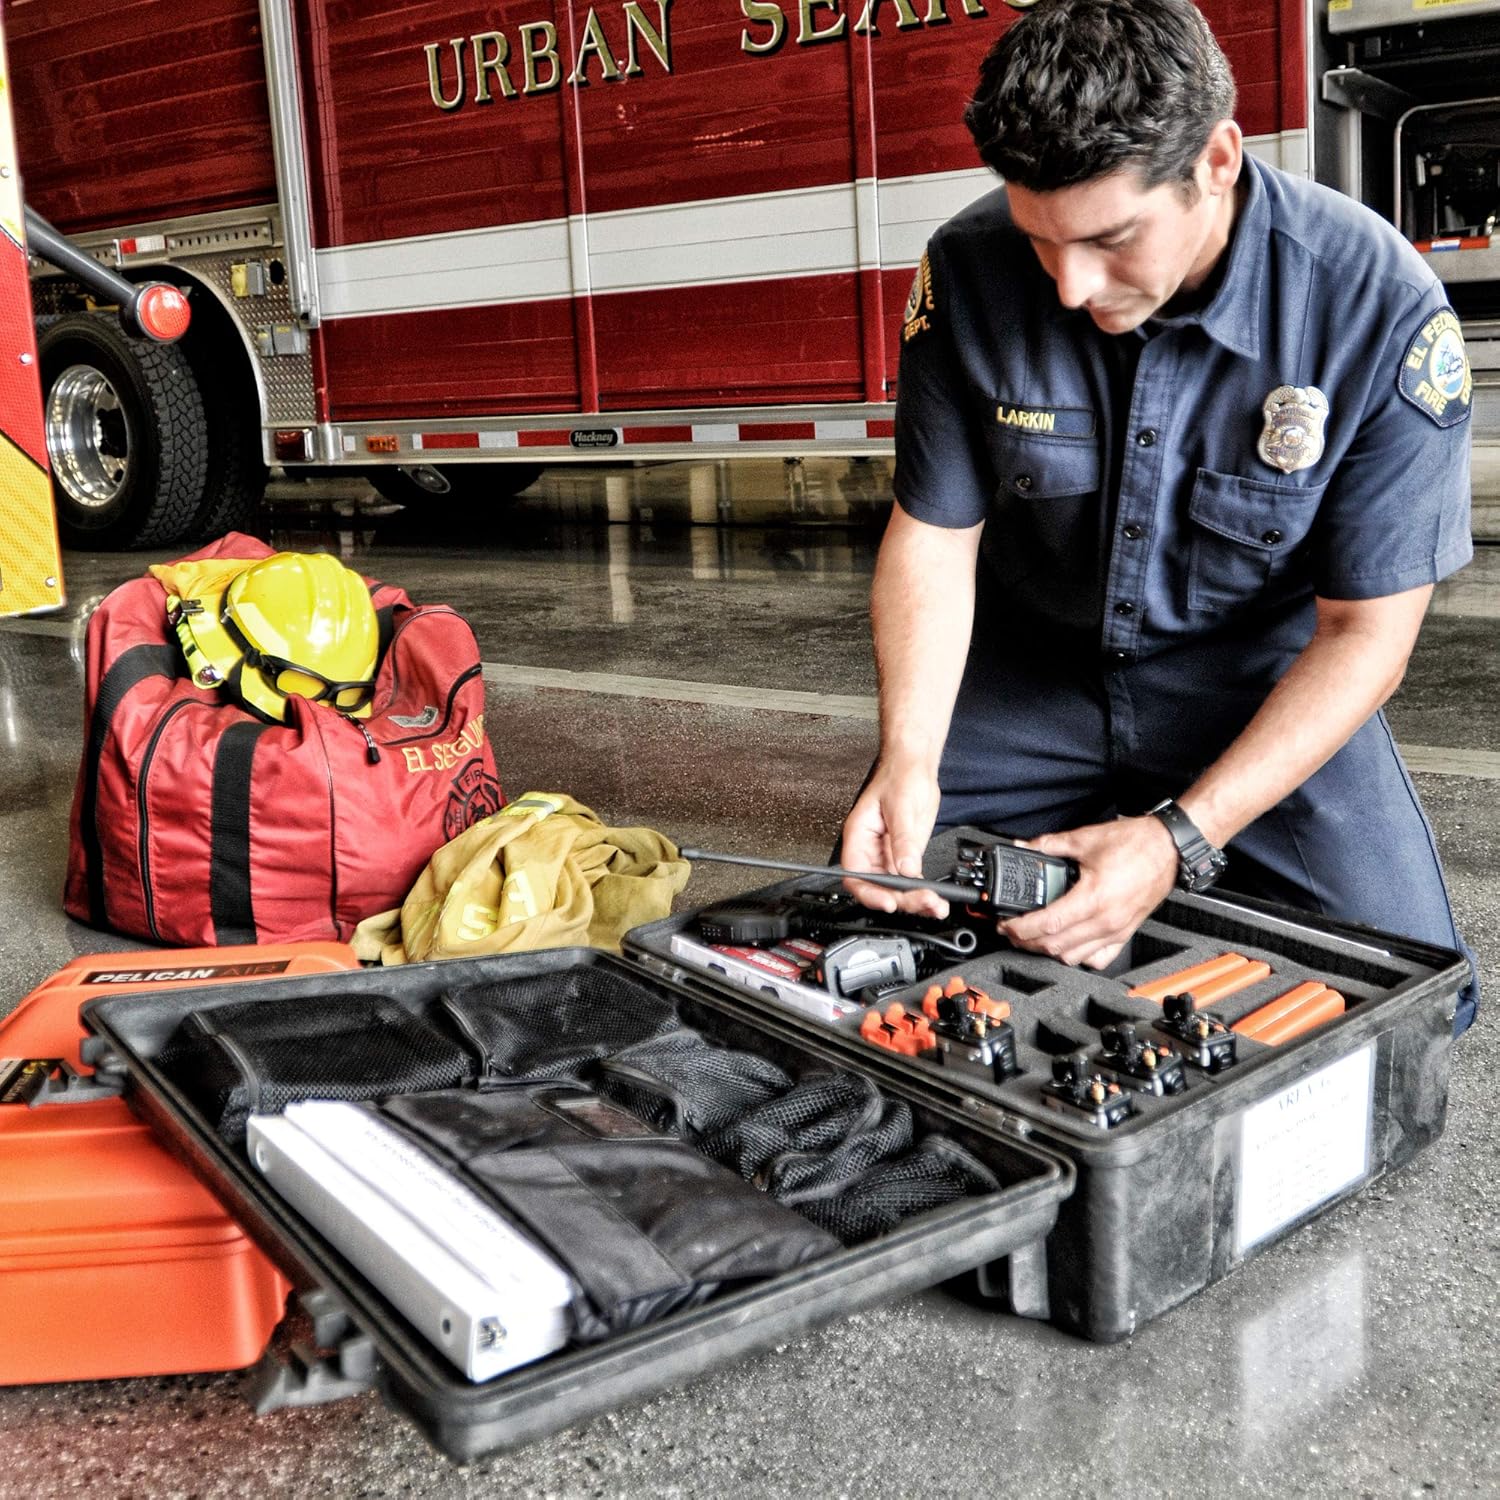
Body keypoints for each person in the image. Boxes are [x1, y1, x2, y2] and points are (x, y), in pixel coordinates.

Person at [839, 0, 1479, 1033]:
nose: (1070, 285)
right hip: (1031, 676)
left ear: (1217, 159)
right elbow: (934, 537)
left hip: (1250, 681)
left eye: (1111, 237)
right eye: (1040, 238)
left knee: (1407, 1000)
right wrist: (908, 758)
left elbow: (1367, 635)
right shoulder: (966, 269)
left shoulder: (1377, 307)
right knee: (878, 920)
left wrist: (1178, 839)